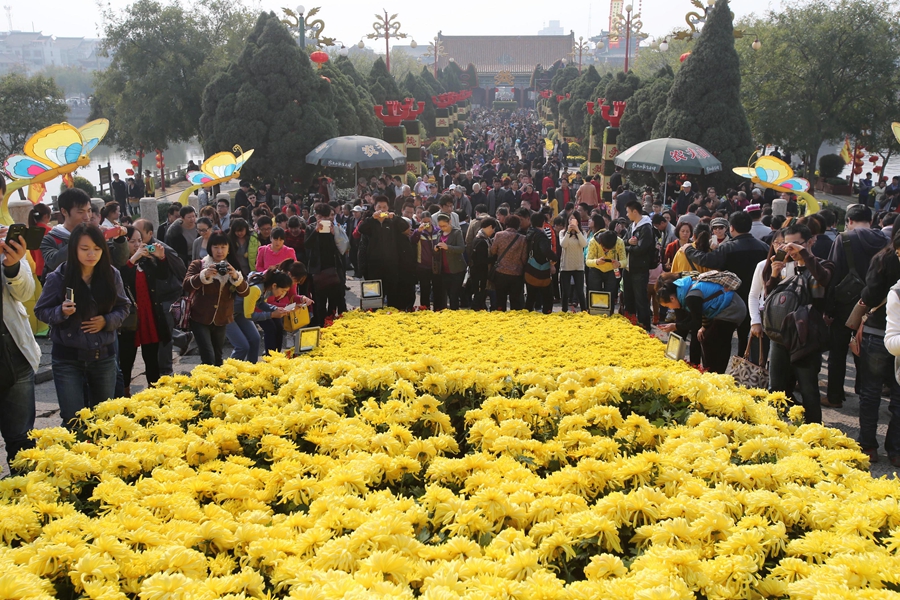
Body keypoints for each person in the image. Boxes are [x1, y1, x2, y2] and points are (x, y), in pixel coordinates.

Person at [35, 224, 130, 428]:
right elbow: (40, 311)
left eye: (97, 248)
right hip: (68, 359)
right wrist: (60, 311)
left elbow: (124, 307)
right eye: (85, 248)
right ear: (74, 249)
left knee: (104, 419)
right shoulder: (58, 277)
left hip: (103, 355)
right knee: (73, 420)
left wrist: (107, 321)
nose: (91, 254)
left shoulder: (111, 275)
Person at [764, 223, 834, 424]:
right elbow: (771, 298)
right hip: (780, 335)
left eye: (796, 244)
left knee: (808, 389)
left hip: (806, 337)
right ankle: (777, 427)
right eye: (787, 245)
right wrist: (775, 275)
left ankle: (813, 433)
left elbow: (824, 280)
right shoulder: (786, 267)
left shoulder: (824, 265)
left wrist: (804, 254)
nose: (791, 250)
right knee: (776, 388)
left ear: (810, 241)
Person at [823, 204, 889, 408]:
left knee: (838, 351)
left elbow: (833, 276)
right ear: (871, 221)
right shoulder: (887, 241)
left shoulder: (844, 238)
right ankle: (865, 395)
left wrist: (829, 308)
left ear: (849, 221)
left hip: (845, 304)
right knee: (868, 350)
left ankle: (834, 396)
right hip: (877, 305)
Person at [684, 211, 769, 356]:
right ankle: (747, 364)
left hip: (731, 298)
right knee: (749, 335)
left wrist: (689, 249)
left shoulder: (728, 247)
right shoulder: (764, 247)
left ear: (731, 228)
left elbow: (707, 260)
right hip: (757, 298)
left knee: (725, 336)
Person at [0, 191, 41, 468]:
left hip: (13, 352)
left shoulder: (6, 238)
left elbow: (25, 291)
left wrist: (13, 264)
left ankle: (26, 501)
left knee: (22, 442)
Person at [853, 231, 900, 466]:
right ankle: (896, 450)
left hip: (877, 332)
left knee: (871, 393)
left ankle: (868, 445)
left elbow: (869, 295)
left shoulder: (883, 259)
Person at [657, 272, 747, 374]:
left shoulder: (690, 297)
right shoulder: (684, 290)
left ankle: (714, 375)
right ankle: (712, 373)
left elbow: (696, 323)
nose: (670, 308)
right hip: (724, 308)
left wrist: (676, 326)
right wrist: (679, 326)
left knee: (711, 340)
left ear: (672, 298)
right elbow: (697, 315)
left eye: (668, 306)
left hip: (731, 309)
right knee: (707, 339)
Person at [118, 226, 171, 396]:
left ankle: (153, 394)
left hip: (149, 314)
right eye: (132, 241)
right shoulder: (120, 262)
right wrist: (133, 259)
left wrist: (161, 257)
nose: (137, 244)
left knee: (151, 357)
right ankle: (124, 393)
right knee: (126, 359)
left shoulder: (147, 261)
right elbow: (120, 279)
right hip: (130, 318)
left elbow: (163, 276)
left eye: (140, 241)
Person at [183, 232, 249, 366]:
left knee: (218, 358)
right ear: (210, 248)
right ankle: (205, 385)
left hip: (222, 318)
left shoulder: (232, 266)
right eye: (216, 247)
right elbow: (186, 284)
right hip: (200, 317)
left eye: (223, 247)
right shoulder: (199, 264)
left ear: (229, 248)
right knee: (208, 357)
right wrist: (204, 275)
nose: (220, 251)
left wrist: (236, 277)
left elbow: (245, 292)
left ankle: (217, 385)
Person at [41, 188, 129, 278]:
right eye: (80, 212)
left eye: (89, 211)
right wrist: (79, 239)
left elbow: (120, 260)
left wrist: (119, 239)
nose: (87, 217)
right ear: (64, 212)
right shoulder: (49, 239)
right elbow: (53, 263)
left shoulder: (95, 233)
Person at [358, 197, 404, 307]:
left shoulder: (392, 222)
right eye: (379, 207)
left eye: (384, 207)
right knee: (373, 301)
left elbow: (405, 227)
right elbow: (360, 229)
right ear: (375, 208)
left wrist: (395, 217)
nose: (382, 210)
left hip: (391, 266)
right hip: (373, 267)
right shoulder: (370, 222)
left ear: (388, 208)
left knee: (393, 299)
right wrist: (372, 219)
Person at [305, 203, 346, 325]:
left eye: (326, 217)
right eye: (320, 217)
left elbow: (342, 249)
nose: (323, 220)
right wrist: (316, 231)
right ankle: (320, 326)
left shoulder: (335, 227)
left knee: (334, 301)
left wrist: (335, 235)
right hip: (317, 270)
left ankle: (333, 324)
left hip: (333, 269)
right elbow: (307, 245)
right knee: (319, 303)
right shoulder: (310, 228)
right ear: (316, 216)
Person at [623, 200, 654, 330]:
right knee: (628, 296)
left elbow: (642, 249)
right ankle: (631, 320)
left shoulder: (646, 227)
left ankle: (644, 324)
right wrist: (629, 243)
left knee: (640, 298)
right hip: (628, 267)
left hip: (640, 268)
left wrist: (628, 246)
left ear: (635, 211)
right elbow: (623, 241)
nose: (627, 214)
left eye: (628, 211)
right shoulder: (632, 225)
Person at [489, 215, 527, 311]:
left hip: (501, 272)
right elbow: (524, 258)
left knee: (500, 301)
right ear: (518, 225)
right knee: (515, 302)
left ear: (506, 224)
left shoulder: (499, 235)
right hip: (516, 274)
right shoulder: (522, 239)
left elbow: (493, 251)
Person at [433, 213, 466, 310]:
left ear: (450, 222)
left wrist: (448, 247)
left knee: (454, 294)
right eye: (440, 226)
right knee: (445, 294)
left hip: (456, 269)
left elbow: (461, 248)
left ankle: (454, 313)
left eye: (444, 225)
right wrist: (436, 249)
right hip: (444, 269)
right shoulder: (439, 233)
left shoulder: (456, 232)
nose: (442, 228)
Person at [558, 215, 588, 312]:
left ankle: (584, 310)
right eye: (570, 219)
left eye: (574, 219)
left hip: (578, 266)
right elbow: (563, 244)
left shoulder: (583, 232)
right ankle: (564, 310)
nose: (572, 221)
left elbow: (584, 244)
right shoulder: (562, 232)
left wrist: (578, 231)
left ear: (578, 221)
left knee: (580, 291)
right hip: (566, 266)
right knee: (565, 291)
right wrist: (568, 231)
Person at [470, 217, 498, 311]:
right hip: (479, 273)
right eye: (493, 229)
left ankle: (481, 308)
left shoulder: (480, 238)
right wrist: (494, 258)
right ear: (490, 227)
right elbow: (481, 260)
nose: (493, 231)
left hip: (478, 272)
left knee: (481, 294)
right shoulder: (481, 241)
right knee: (479, 294)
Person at [27, 203, 52, 280]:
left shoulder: (30, 232)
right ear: (45, 216)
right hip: (51, 270)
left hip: (39, 270)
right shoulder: (50, 231)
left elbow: (32, 253)